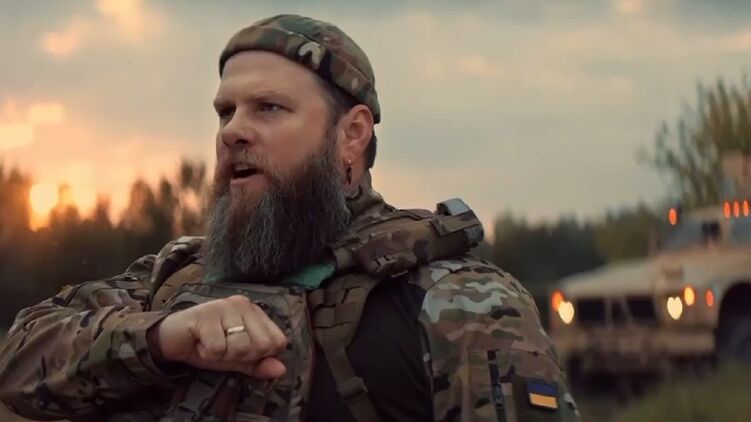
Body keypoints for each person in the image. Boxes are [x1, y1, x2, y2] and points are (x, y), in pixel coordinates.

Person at [0, 14, 580, 422]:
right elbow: (19, 362)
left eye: (269, 108)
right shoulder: (178, 281)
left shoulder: (458, 303)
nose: (233, 131)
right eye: (225, 112)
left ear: (351, 134)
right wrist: (164, 338)